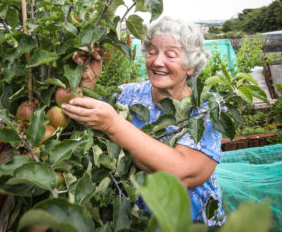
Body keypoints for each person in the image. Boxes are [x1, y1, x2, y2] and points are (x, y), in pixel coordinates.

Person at [61, 16, 225, 226]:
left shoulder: (207, 109)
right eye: (152, 52)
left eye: (170, 54)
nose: (157, 61)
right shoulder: (129, 95)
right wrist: (87, 82)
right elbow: (82, 115)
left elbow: (182, 171)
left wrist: (113, 124)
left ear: (190, 66)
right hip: (137, 220)